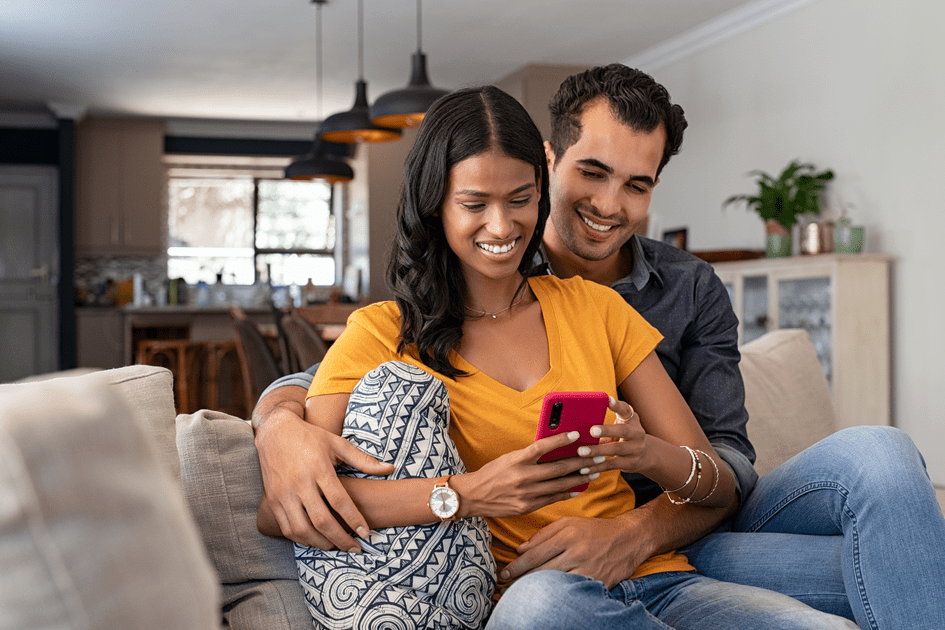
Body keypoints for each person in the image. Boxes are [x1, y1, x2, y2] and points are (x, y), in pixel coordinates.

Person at [253, 67, 945, 630]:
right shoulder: (387, 330)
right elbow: (305, 469)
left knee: (882, 477)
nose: (503, 223)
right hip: (546, 592)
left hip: (673, 554)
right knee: (539, 605)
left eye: (518, 199)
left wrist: (640, 463)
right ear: (438, 202)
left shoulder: (606, 303)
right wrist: (283, 423)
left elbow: (719, 468)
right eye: (474, 203)